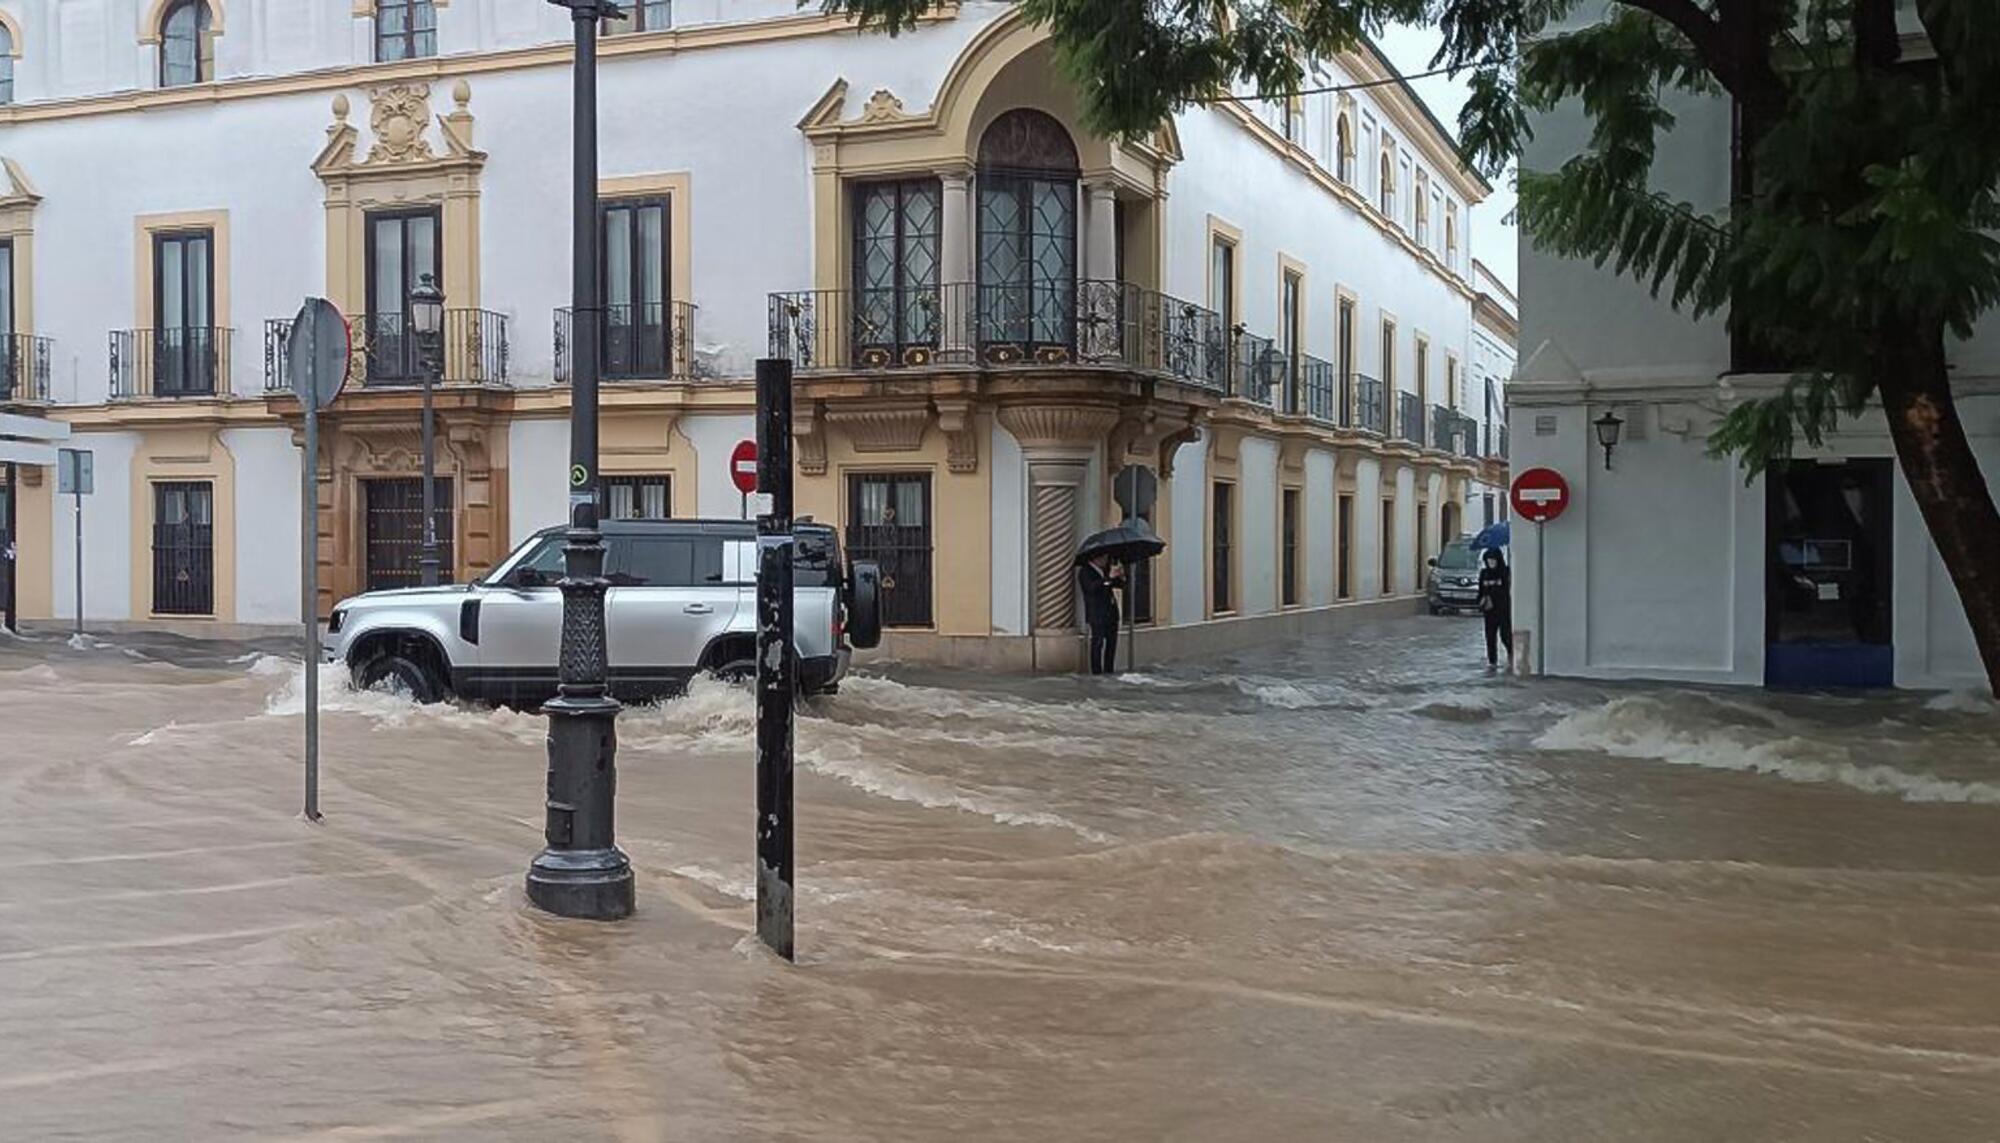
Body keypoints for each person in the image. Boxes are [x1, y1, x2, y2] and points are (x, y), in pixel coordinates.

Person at [1077, 553, 1125, 675]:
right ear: (1096, 558)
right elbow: (1092, 589)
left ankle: (1109, 669)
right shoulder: (1085, 572)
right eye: (1104, 558)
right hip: (1097, 613)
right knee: (1097, 643)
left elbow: (1119, 585)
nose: (1106, 560)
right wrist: (1108, 578)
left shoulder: (1105, 571)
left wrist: (1120, 576)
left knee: (1111, 644)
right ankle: (1096, 671)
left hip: (1111, 613)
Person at [1477, 547, 1514, 670]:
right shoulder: (1484, 574)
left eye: (1493, 560)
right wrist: (1480, 601)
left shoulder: (1505, 572)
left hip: (1503, 610)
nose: (1491, 563)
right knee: (1490, 637)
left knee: (1505, 635)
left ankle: (1511, 654)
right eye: (1488, 560)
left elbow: (1508, 590)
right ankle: (1492, 661)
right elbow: (1480, 591)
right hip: (1489, 611)